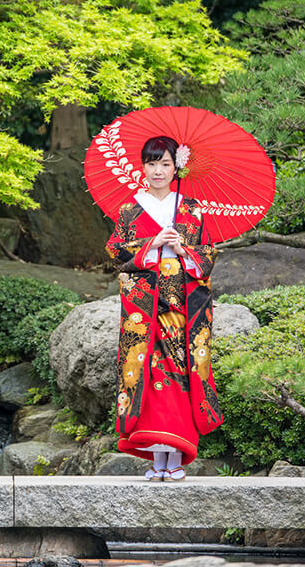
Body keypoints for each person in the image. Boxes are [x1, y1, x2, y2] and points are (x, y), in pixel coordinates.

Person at [106, 135, 222, 481]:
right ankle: (157, 460)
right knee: (149, 376)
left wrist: (184, 248)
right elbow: (116, 252)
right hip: (145, 307)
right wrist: (152, 243)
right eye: (151, 163)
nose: (158, 171)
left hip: (181, 309)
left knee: (178, 378)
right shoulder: (130, 209)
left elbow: (209, 255)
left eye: (165, 164)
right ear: (142, 167)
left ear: (176, 168)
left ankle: (176, 457)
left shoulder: (191, 208)